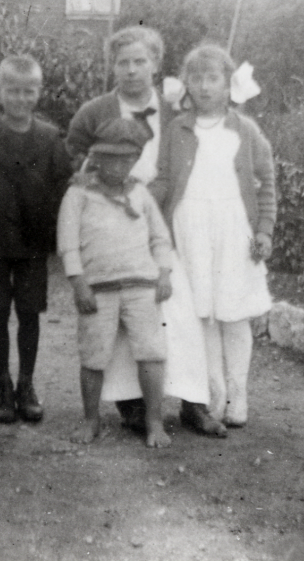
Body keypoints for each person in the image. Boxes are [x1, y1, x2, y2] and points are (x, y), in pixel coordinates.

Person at [65, 27, 211, 435]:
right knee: (121, 315)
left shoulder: (173, 110)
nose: (131, 70)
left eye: (140, 61)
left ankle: (193, 401)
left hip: (164, 216)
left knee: (178, 312)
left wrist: (153, 205)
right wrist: (91, 183)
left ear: (156, 64)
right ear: (112, 67)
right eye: (123, 62)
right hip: (114, 225)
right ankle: (131, 403)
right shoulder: (94, 111)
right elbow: (73, 157)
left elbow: (183, 159)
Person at [151, 44, 275, 430]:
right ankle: (212, 393)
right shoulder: (177, 129)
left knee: (233, 315)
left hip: (233, 228)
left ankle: (238, 393)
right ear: (186, 84)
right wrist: (142, 209)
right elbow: (164, 179)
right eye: (197, 78)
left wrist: (264, 230)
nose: (204, 87)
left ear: (228, 84)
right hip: (189, 228)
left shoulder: (245, 130)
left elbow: (266, 183)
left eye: (213, 78)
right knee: (200, 314)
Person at [0, 55, 71, 423]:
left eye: (28, 91)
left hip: (32, 243)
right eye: (12, 90)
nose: (20, 98)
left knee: (29, 314)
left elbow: (62, 186)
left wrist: (56, 234)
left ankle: (26, 384)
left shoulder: (50, 137)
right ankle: (3, 385)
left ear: (39, 92)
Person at [57, 118, 173, 447]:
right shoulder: (78, 194)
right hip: (98, 289)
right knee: (93, 355)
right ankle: (90, 420)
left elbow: (160, 238)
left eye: (126, 159)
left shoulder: (141, 193)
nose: (118, 166)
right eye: (110, 159)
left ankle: (154, 422)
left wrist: (164, 273)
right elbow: (68, 244)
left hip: (142, 287)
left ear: (135, 160)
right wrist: (79, 283)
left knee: (151, 352)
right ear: (96, 158)